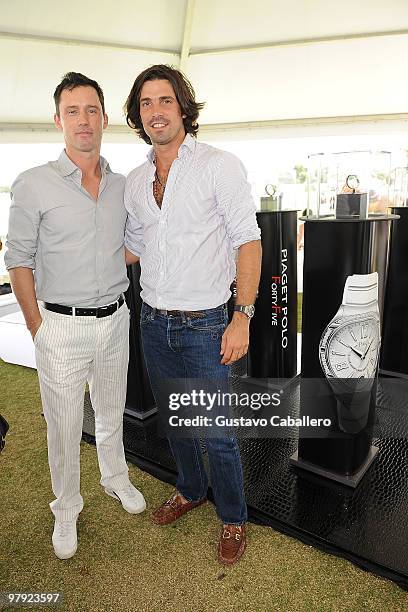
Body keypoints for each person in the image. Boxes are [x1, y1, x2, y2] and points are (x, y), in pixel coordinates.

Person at [124, 65, 262, 565]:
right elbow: (135, 248)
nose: (156, 111)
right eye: (146, 103)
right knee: (177, 421)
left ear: (183, 107)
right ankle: (190, 489)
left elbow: (248, 240)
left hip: (206, 323)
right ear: (138, 115)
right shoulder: (137, 180)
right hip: (153, 320)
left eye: (165, 100)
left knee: (217, 432)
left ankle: (232, 516)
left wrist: (242, 316)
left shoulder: (219, 165)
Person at [5, 72, 145, 561]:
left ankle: (115, 477)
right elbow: (18, 259)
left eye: (91, 111)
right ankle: (66, 505)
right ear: (58, 119)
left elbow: (126, 249)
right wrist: (36, 326)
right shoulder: (33, 184)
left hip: (115, 320)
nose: (83, 120)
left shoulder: (123, 186)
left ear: (105, 118)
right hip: (59, 326)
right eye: (73, 111)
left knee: (111, 411)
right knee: (63, 426)